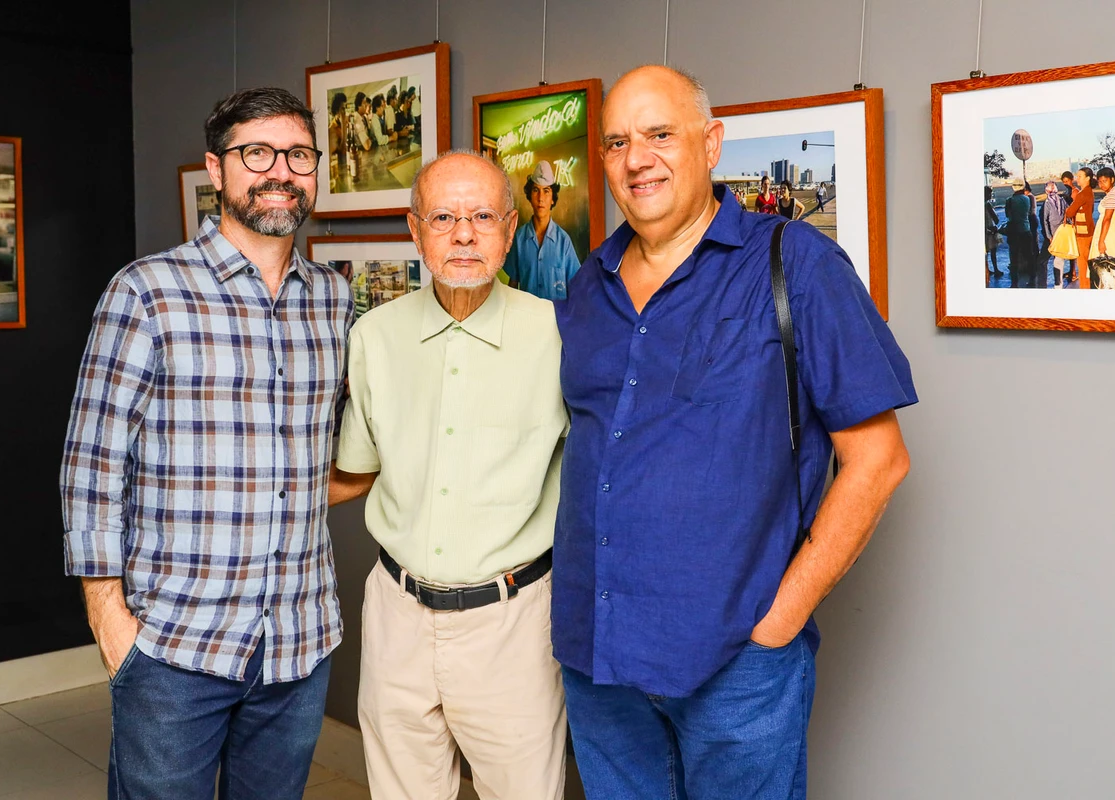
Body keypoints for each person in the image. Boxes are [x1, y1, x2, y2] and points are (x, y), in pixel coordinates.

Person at [553, 65, 915, 800]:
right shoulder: (587, 285)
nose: (636, 158)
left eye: (660, 134)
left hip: (735, 666)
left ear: (710, 143)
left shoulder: (796, 263)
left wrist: (780, 621)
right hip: (598, 658)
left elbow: (878, 460)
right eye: (618, 141)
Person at [60, 87, 350, 800]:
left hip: (298, 644)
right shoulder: (146, 293)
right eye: (257, 153)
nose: (281, 170)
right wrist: (110, 622)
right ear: (216, 171)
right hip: (173, 647)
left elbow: (344, 446)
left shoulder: (334, 300)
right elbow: (92, 462)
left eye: (299, 155)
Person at [330, 150, 569, 799]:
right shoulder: (374, 335)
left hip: (512, 623)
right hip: (395, 617)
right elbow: (353, 472)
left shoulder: (559, 336)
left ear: (510, 230)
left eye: (482, 216)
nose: (464, 234)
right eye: (443, 216)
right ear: (415, 230)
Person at [503, 160, 583, 300]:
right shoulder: (519, 239)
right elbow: (513, 285)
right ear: (529, 196)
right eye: (536, 190)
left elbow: (576, 287)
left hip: (556, 318)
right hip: (527, 317)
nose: (541, 198)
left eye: (546, 191)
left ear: (553, 198)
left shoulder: (564, 242)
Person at [1090, 166, 1115, 287]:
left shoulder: (1112, 194)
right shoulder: (1114, 192)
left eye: (1104, 181)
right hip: (1112, 229)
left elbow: (1107, 219)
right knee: (1112, 267)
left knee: (1111, 266)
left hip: (1109, 232)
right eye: (1099, 182)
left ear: (1112, 179)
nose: (1101, 184)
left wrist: (1101, 241)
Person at [1064, 166, 1095, 289]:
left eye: (1080, 176)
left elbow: (1070, 212)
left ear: (1087, 178)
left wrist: (1067, 209)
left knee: (1083, 265)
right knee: (1086, 262)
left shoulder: (1082, 194)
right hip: (1088, 230)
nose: (1077, 179)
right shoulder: (1089, 192)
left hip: (1083, 233)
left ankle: (1085, 289)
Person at [1003, 179, 1038, 288]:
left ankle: (1014, 283)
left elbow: (1008, 215)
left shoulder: (1009, 200)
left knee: (1013, 259)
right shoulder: (1027, 199)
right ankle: (1033, 278)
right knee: (1029, 256)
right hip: (1026, 230)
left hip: (1014, 232)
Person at [1039, 181, 1068, 288]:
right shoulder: (1046, 204)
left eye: (1053, 186)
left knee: (1059, 261)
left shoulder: (1061, 201)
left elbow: (1067, 212)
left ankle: (1058, 284)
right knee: (1042, 261)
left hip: (1060, 235)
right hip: (1050, 237)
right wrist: (1049, 236)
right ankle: (1042, 284)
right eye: (1049, 187)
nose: (1052, 189)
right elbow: (1044, 221)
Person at [984, 185, 1002, 280]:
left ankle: (986, 269)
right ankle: (995, 268)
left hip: (984, 230)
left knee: (985, 251)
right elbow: (996, 219)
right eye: (989, 194)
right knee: (993, 250)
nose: (990, 195)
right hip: (990, 229)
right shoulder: (987, 205)